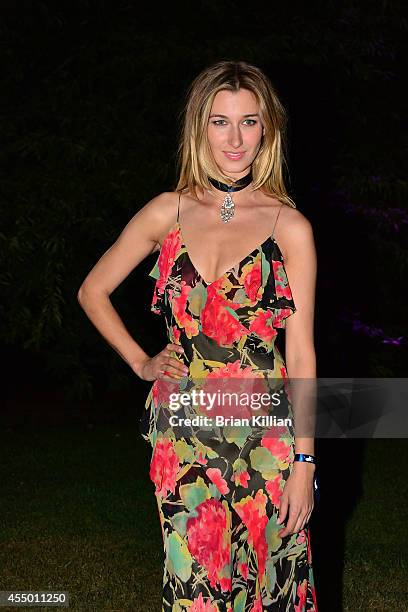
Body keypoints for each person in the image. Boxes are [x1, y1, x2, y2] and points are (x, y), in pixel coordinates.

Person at [78, 60, 318, 611]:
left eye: (249, 122)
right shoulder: (168, 212)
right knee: (192, 587)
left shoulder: (291, 227)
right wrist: (141, 362)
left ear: (268, 129)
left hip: (269, 439)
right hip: (183, 435)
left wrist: (305, 464)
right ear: (198, 127)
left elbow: (302, 351)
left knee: (270, 586)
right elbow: (93, 291)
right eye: (219, 121)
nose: (234, 139)